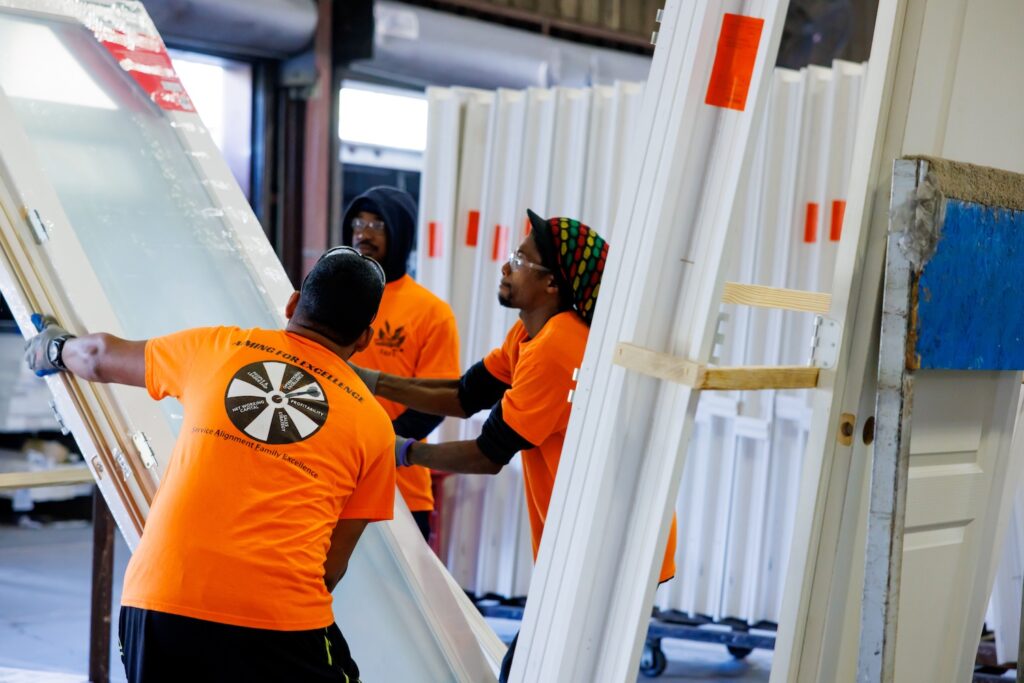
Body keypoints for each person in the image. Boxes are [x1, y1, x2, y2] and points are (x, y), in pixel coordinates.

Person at [26, 247, 395, 682]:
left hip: (159, 605)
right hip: (278, 626)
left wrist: (53, 347)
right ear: (365, 338)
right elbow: (331, 569)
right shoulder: (375, 426)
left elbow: (95, 356)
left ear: (293, 303)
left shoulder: (219, 346)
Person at [351, 210, 677, 681]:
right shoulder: (529, 331)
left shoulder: (557, 347)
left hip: (609, 542)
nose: (506, 267)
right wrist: (372, 380)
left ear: (552, 284)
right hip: (586, 538)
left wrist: (399, 451)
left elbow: (488, 454)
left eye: (521, 261)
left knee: (527, 669)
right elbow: (464, 395)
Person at [342, 186, 461, 542]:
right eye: (358, 223)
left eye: (377, 225)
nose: (363, 233)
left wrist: (378, 446)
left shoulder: (432, 312)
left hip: (401, 490)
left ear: (401, 232)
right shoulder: (335, 297)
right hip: (333, 478)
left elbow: (436, 402)